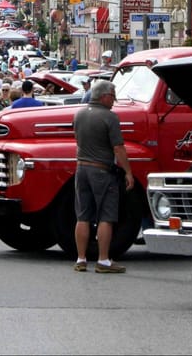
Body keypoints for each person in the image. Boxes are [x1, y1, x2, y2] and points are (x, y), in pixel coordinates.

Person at [72, 80, 133, 274]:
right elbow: (118, 148)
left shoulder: (79, 114)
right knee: (106, 216)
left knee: (83, 215)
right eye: (113, 96)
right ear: (104, 96)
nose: (114, 100)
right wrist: (128, 172)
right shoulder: (110, 117)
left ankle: (81, 259)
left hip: (81, 168)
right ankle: (103, 260)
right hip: (102, 170)